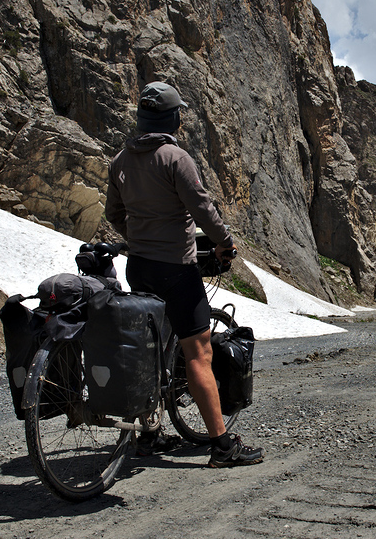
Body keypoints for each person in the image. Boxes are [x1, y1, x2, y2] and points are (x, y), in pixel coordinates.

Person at [104, 81, 263, 468]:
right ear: (173, 118)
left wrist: (138, 237)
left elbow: (113, 214)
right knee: (198, 351)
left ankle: (148, 434)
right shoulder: (176, 158)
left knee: (150, 349)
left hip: (138, 265)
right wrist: (224, 242)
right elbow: (203, 209)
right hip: (176, 268)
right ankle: (222, 446)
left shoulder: (120, 160)